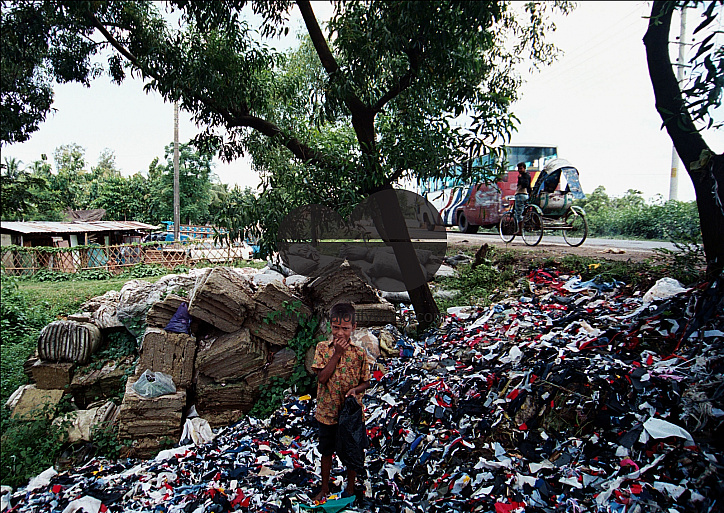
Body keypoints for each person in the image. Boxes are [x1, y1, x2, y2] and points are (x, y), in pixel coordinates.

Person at [311, 303, 371, 503]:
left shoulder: (360, 354)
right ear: (330, 326)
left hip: (351, 415)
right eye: (336, 327)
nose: (340, 333)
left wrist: (356, 390)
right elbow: (322, 378)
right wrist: (336, 353)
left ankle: (351, 488)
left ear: (354, 327)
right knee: (326, 451)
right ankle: (325, 487)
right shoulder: (322, 349)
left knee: (352, 450)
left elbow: (366, 381)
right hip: (327, 413)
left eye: (345, 328)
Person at [514, 162, 532, 232]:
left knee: (519, 213)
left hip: (521, 194)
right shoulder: (527, 175)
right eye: (518, 169)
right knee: (524, 212)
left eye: (521, 168)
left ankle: (520, 231)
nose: (519, 170)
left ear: (524, 168)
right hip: (526, 195)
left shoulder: (524, 176)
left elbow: (525, 185)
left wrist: (520, 178)